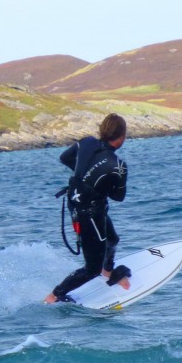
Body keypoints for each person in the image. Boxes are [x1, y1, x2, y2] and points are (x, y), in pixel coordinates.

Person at [44, 113, 130, 304]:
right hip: (91, 215)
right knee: (91, 269)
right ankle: (54, 296)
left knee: (113, 239)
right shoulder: (118, 166)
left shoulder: (87, 142)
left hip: (77, 206)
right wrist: (98, 183)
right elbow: (119, 196)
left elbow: (64, 157)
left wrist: (84, 176)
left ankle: (107, 271)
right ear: (122, 137)